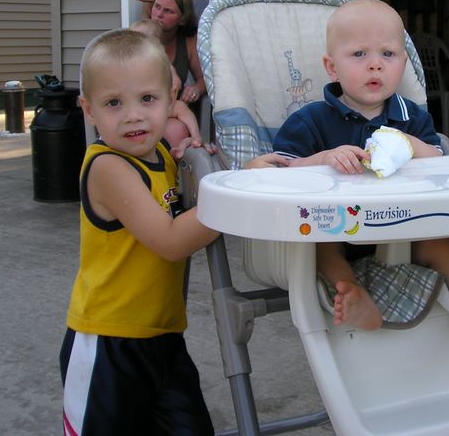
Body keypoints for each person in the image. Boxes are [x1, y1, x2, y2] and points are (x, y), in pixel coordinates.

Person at [272, 0, 449, 349]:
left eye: (388, 55)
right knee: (319, 245)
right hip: (336, 227)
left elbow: (442, 161)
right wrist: (325, 158)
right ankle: (355, 295)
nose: (375, 65)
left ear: (404, 64)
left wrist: (409, 145)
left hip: (404, 227)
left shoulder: (411, 117)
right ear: (331, 67)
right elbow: (282, 170)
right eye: (359, 55)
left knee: (442, 245)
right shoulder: (311, 120)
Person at [61, 29, 284, 434]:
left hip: (163, 337)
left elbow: (186, 211)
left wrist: (196, 173)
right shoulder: (108, 166)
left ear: (171, 98)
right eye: (113, 103)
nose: (133, 115)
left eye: (147, 99)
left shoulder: (160, 153)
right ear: (88, 109)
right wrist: (233, 189)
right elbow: (170, 241)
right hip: (110, 343)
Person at [130, 19, 203, 157]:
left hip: (162, 106)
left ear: (157, 45)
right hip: (140, 108)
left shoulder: (162, 63)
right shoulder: (128, 65)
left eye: (140, 42)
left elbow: (176, 81)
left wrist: (173, 85)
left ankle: (196, 137)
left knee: (181, 107)